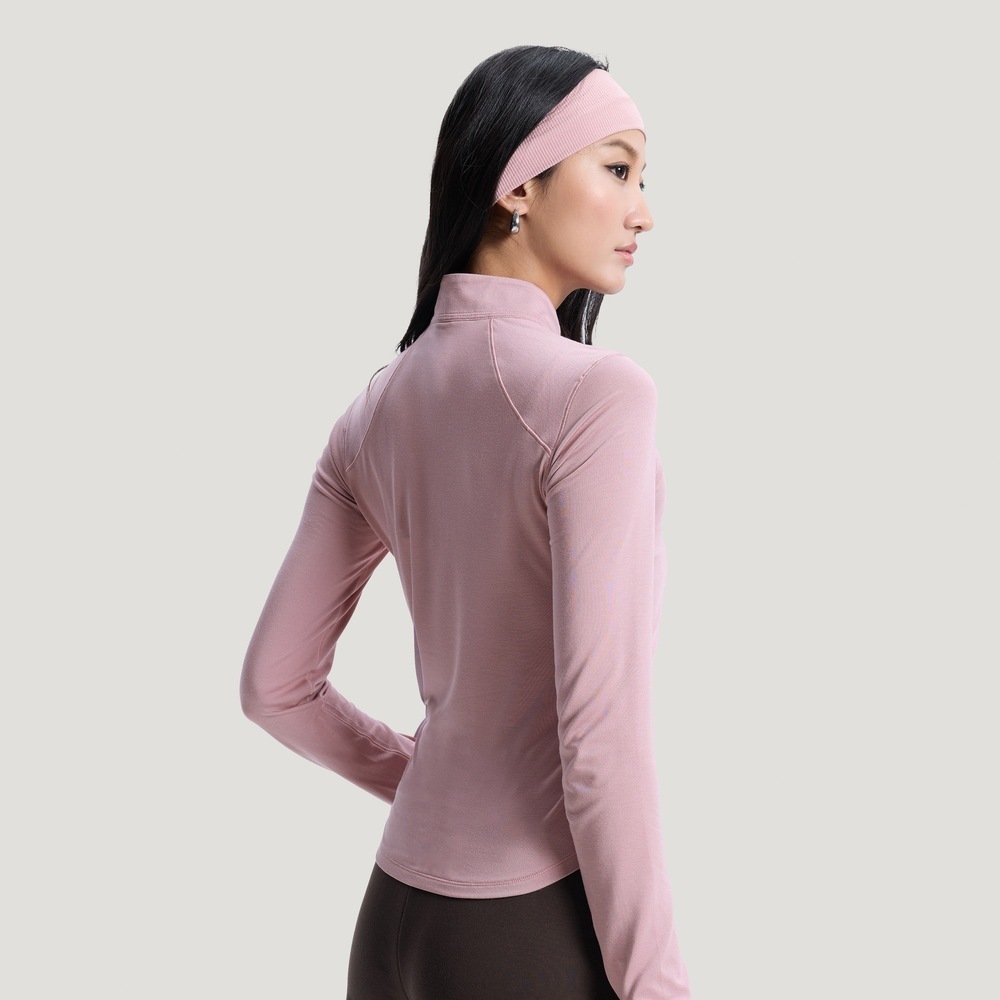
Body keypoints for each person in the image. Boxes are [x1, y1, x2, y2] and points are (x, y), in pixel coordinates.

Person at [240, 44, 692, 1000]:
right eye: (618, 169)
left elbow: (274, 687)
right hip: (526, 931)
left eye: (644, 179)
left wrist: (423, 772)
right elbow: (600, 742)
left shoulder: (374, 410)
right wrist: (657, 987)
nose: (644, 211)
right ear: (517, 186)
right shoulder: (596, 397)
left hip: (390, 925)